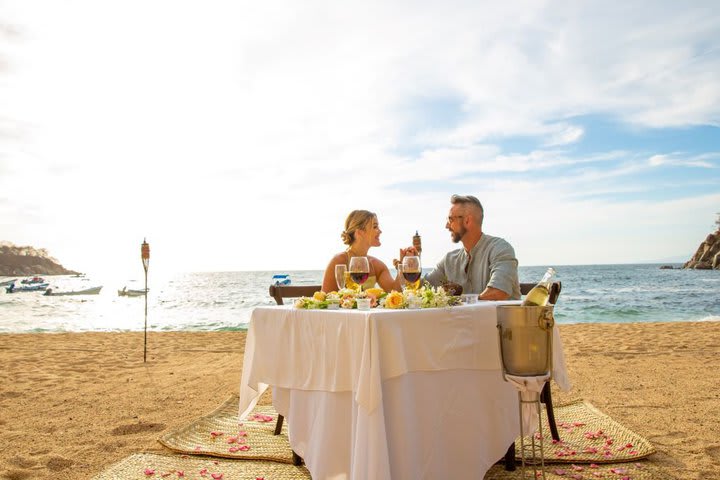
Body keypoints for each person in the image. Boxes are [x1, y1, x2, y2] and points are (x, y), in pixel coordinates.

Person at [424, 194, 521, 300]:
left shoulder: (500, 248)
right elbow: (423, 289)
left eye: (450, 219)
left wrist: (458, 301)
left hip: (499, 317)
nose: (447, 226)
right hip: (464, 317)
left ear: (467, 221)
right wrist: (407, 266)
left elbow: (498, 292)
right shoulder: (449, 259)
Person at [322, 210, 406, 293]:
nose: (380, 231)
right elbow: (326, 298)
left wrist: (403, 263)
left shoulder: (376, 265)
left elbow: (395, 291)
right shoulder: (339, 261)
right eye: (375, 227)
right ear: (359, 233)